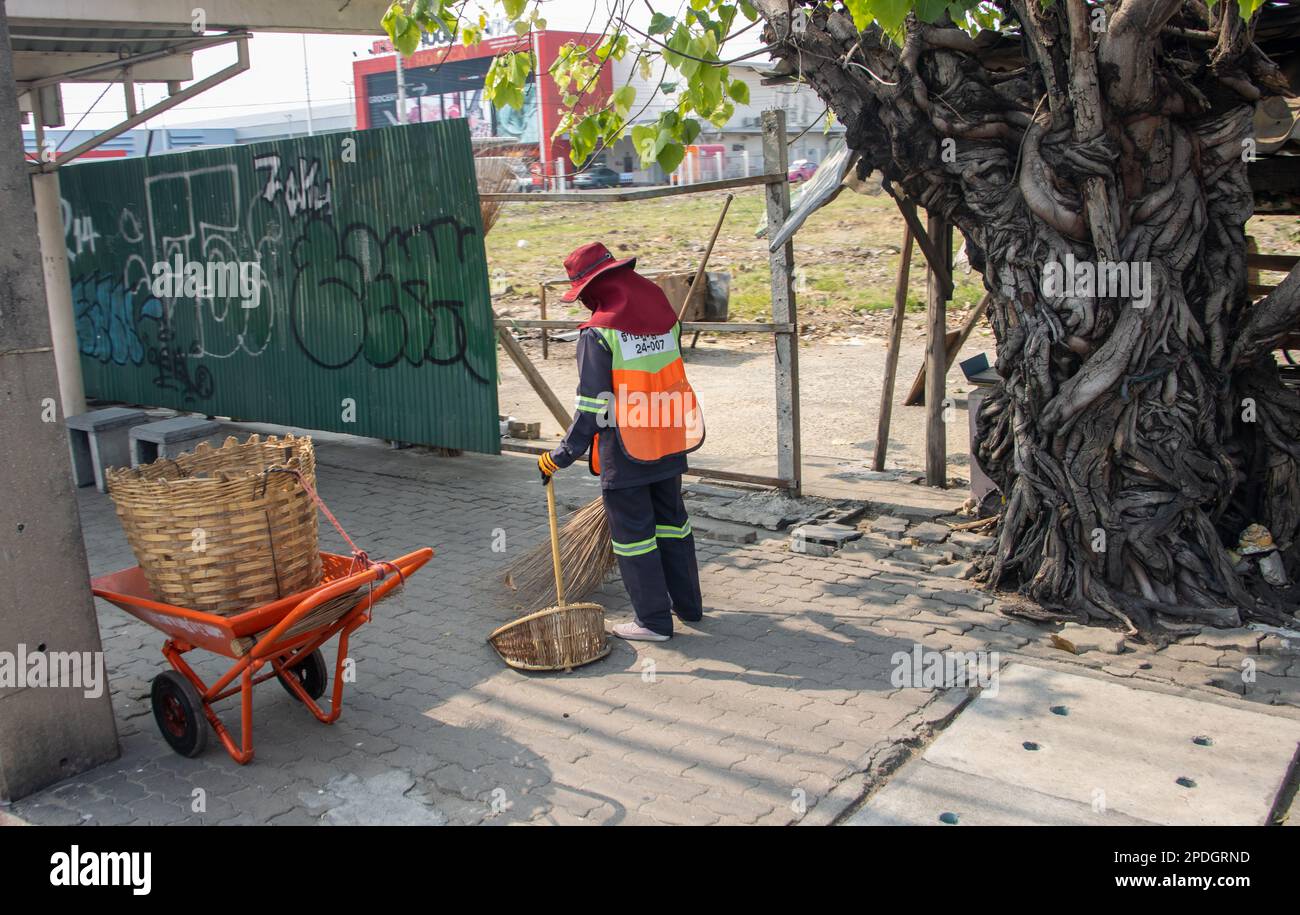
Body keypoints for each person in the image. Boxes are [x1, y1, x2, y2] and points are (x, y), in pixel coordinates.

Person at [537, 242, 705, 641]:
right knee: (673, 525)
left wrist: (559, 457)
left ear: (593, 288)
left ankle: (653, 622)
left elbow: (595, 406)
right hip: (667, 436)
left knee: (633, 538)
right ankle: (689, 608)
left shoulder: (599, 332)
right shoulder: (666, 315)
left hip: (627, 451)